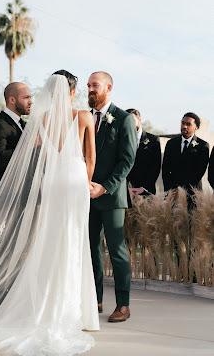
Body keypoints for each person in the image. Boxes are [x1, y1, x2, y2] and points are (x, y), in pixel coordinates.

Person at [0, 71, 99, 356]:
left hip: (51, 189)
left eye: (34, 96)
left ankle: (40, 303)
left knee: (47, 245)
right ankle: (16, 303)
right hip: (55, 188)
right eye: (26, 97)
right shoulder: (3, 125)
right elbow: (87, 158)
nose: (31, 101)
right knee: (44, 245)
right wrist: (85, 180)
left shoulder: (38, 122)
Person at [88, 71, 137, 323]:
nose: (90, 89)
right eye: (88, 85)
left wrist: (104, 187)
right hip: (87, 196)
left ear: (109, 87)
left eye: (94, 85)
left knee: (117, 251)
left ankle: (123, 304)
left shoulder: (123, 119)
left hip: (111, 197)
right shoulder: (86, 117)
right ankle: (95, 300)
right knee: (92, 250)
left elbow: (127, 160)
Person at [0, 82, 32, 202]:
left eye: (30, 97)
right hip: (6, 198)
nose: (31, 101)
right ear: (12, 100)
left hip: (27, 196)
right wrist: (30, 144)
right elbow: (0, 159)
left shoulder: (25, 125)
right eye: (26, 97)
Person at [162, 112, 209, 206]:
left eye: (188, 124)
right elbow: (165, 169)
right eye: (183, 123)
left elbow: (199, 172)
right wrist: (171, 190)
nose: (184, 126)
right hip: (173, 194)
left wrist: (182, 190)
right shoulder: (171, 143)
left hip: (193, 194)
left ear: (196, 127)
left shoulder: (203, 146)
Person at [126, 108, 161, 196]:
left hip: (146, 191)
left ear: (139, 119)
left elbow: (155, 167)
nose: (130, 124)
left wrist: (144, 187)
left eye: (132, 120)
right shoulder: (122, 140)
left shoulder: (154, 140)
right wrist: (125, 188)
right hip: (126, 191)